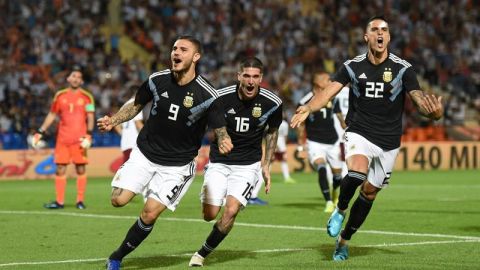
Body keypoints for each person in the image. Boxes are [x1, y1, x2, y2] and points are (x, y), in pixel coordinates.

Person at [291, 16, 443, 261]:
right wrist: (309, 108)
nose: (380, 33)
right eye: (374, 29)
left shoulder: (403, 68)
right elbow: (328, 91)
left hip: (389, 141)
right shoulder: (352, 66)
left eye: (384, 30)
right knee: (357, 172)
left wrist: (434, 113)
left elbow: (417, 97)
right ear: (367, 37)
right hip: (359, 131)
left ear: (389, 37)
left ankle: (344, 241)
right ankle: (340, 210)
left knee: (370, 192)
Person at [97, 35, 233, 270]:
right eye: (174, 48)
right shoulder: (156, 80)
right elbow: (136, 105)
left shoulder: (208, 95)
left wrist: (224, 140)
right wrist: (114, 120)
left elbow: (219, 128)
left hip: (177, 166)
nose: (176, 53)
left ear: (196, 57)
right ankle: (139, 184)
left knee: (149, 214)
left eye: (183, 49)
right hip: (145, 153)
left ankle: (117, 257)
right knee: (118, 201)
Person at [189, 57, 282, 267]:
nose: (250, 81)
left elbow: (273, 132)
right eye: (246, 76)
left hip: (248, 166)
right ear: (238, 76)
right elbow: (203, 122)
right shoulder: (220, 98)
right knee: (209, 214)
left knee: (231, 211)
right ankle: (212, 201)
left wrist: (266, 165)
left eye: (255, 77)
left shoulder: (273, 103)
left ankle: (201, 254)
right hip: (220, 162)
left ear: (261, 78)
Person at [31, 68, 95, 210]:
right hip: (63, 139)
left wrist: (89, 134)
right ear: (68, 79)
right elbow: (52, 115)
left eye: (79, 77)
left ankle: (80, 201)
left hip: (80, 140)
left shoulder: (87, 97)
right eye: (73, 76)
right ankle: (59, 202)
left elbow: (90, 116)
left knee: (80, 169)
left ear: (82, 81)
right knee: (60, 169)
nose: (76, 78)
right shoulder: (59, 96)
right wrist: (40, 131)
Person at [296, 72, 346, 213]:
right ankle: (328, 202)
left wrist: (348, 127)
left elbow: (340, 118)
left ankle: (335, 196)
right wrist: (301, 147)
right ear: (318, 82)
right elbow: (301, 126)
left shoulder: (332, 97)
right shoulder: (305, 100)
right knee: (321, 167)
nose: (330, 81)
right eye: (327, 79)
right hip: (315, 142)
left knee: (338, 176)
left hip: (333, 142)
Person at [114, 85, 144, 164]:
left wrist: (125, 134)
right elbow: (138, 123)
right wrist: (148, 136)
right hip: (135, 144)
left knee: (128, 171)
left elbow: (116, 125)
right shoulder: (137, 104)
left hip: (126, 143)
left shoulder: (125, 105)